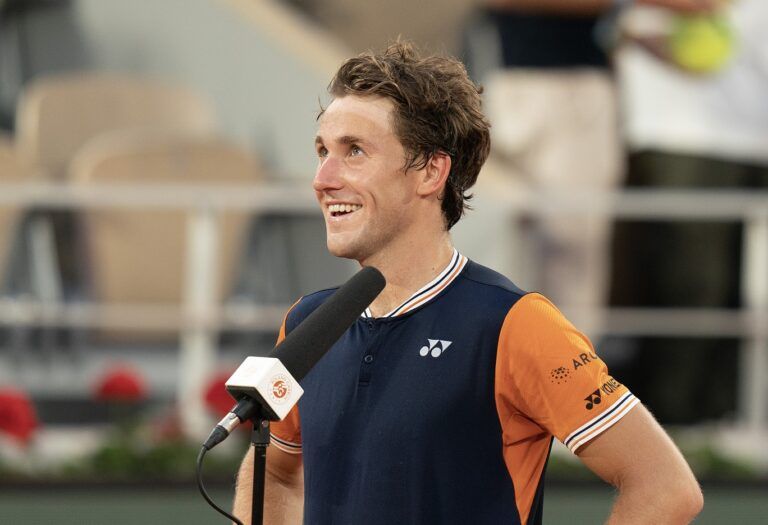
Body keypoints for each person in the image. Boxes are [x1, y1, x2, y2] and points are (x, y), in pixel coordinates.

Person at [233, 42, 702, 524]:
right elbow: (279, 474)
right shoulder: (306, 323)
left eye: (354, 151)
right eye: (322, 151)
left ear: (431, 171)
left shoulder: (517, 324)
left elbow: (666, 488)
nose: (323, 178)